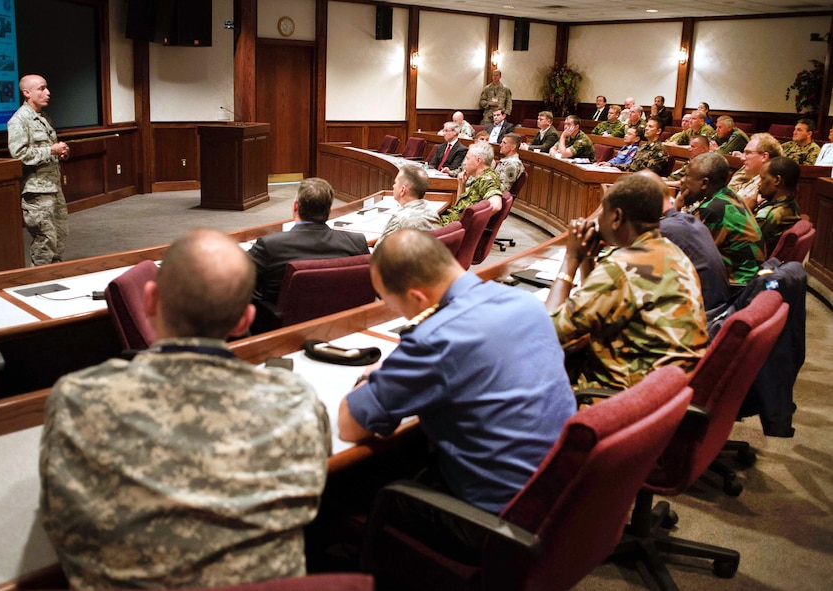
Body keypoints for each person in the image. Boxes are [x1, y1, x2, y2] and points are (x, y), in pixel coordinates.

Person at [39, 228, 331, 590]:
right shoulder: (296, 403)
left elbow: (56, 516)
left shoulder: (76, 400)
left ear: (149, 301)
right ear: (244, 320)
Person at [338, 229, 575, 514]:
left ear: (416, 297)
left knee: (356, 492)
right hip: (566, 491)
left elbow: (349, 426)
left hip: (502, 515)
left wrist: (371, 373)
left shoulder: (435, 339)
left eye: (391, 303)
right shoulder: (525, 303)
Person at [545, 172, 708, 391]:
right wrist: (587, 260)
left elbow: (547, 332)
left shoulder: (620, 267)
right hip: (668, 394)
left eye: (603, 211)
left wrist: (571, 259)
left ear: (617, 217)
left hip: (623, 398)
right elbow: (599, 305)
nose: (597, 220)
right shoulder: (673, 252)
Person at [248, 178, 368, 307]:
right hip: (342, 316)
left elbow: (238, 281)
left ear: (295, 207)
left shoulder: (269, 246)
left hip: (283, 319)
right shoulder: (356, 242)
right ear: (329, 211)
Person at [7, 74, 70, 266]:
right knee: (45, 239)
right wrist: (51, 150)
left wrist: (61, 152)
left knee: (59, 236)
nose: (48, 92)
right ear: (27, 93)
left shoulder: (43, 118)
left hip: (53, 187)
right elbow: (19, 154)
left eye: (46, 87)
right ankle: (39, 278)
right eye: (42, 88)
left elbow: (46, 150)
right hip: (36, 192)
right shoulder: (19, 120)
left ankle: (55, 274)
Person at [681, 152, 766, 283]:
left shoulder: (713, 210)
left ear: (704, 183)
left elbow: (686, 254)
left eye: (687, 176)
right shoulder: (729, 196)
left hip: (735, 286)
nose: (682, 180)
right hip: (748, 281)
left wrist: (674, 211)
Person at [657, 174, 731, 312]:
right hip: (717, 307)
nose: (683, 180)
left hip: (701, 313)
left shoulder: (662, 230)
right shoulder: (690, 221)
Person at [376, 165, 441, 246]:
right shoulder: (432, 211)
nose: (393, 186)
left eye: (395, 182)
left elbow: (378, 251)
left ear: (402, 190)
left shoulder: (399, 220)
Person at [440, 142, 503, 224]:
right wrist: (461, 184)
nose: (464, 163)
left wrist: (469, 222)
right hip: (451, 221)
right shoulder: (480, 177)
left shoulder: (487, 179)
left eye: (467, 159)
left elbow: (496, 205)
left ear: (478, 161)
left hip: (453, 227)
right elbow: (460, 205)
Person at [754, 156, 802, 253]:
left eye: (762, 179)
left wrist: (745, 210)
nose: (759, 184)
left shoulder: (771, 215)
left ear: (777, 180)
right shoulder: (791, 204)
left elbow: (743, 242)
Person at [728, 132, 781, 209]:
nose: (742, 158)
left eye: (748, 153)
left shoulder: (768, 187)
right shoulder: (749, 175)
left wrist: (745, 209)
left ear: (764, 156)